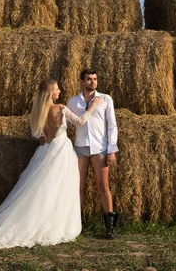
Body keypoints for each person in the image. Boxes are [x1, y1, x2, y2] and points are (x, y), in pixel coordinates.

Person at [0, 79, 102, 248]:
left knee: (39, 189)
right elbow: (80, 121)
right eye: (57, 89)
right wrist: (93, 106)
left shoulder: (38, 112)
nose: (60, 91)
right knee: (59, 189)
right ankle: (53, 225)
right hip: (61, 151)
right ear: (51, 93)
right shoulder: (60, 108)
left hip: (45, 151)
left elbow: (38, 135)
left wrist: (42, 137)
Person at [68, 69, 119, 239]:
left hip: (100, 148)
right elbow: (63, 120)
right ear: (82, 81)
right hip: (80, 148)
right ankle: (76, 226)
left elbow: (112, 125)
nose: (93, 82)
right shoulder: (73, 102)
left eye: (95, 79)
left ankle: (110, 228)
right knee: (78, 187)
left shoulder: (106, 99)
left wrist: (112, 149)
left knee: (103, 186)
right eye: (89, 79)